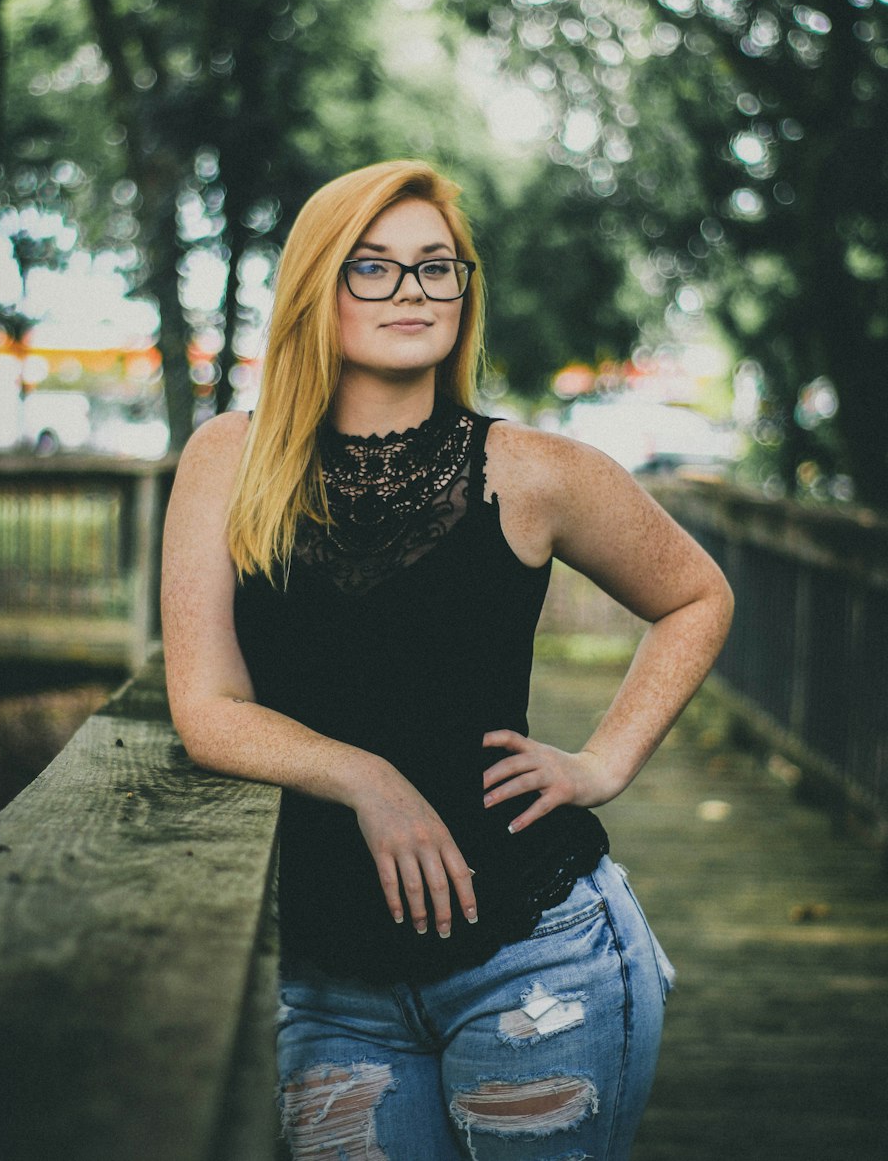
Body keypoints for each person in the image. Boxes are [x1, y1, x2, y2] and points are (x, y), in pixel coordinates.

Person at [161, 159, 734, 1160]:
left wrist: (603, 762)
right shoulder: (229, 460)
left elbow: (695, 595)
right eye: (373, 267)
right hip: (328, 985)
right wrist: (363, 776)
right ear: (316, 288)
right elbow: (206, 704)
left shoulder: (533, 471)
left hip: (537, 964)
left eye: (436, 268)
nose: (412, 291)